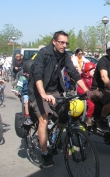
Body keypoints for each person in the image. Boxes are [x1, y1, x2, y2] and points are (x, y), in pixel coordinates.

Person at [28, 31, 91, 168]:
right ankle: (45, 154)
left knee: (64, 116)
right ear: (54, 42)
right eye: (61, 42)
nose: (64, 45)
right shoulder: (44, 53)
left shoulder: (64, 56)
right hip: (39, 92)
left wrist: (86, 90)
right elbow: (37, 74)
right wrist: (43, 94)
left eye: (66, 43)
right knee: (44, 119)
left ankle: (55, 140)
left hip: (55, 91)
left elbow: (73, 72)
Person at [15, 60, 34, 125]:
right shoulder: (22, 78)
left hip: (34, 94)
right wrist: (17, 91)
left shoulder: (35, 77)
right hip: (26, 94)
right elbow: (19, 86)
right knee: (27, 100)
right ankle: (27, 116)